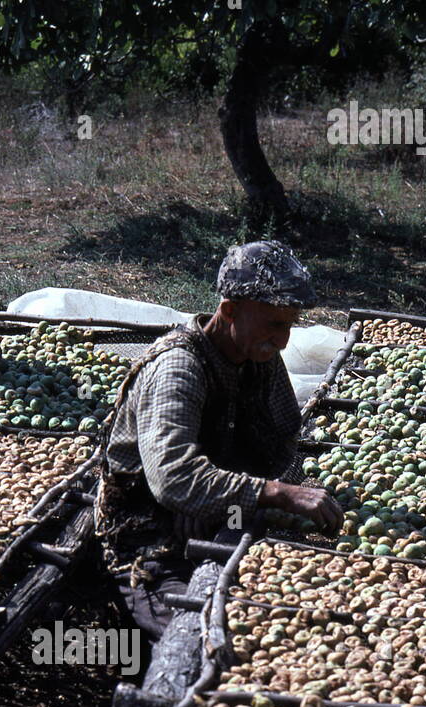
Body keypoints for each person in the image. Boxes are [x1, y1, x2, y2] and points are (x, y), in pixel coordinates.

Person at [95, 240, 343, 640]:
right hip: (150, 539)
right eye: (274, 324)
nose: (283, 340)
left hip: (217, 520)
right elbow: (173, 478)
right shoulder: (179, 368)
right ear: (229, 311)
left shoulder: (256, 358)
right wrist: (277, 493)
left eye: (289, 326)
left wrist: (227, 497)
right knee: (202, 636)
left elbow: (283, 436)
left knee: (281, 613)